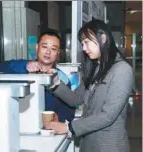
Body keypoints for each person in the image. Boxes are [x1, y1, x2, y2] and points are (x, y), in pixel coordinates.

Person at [45, 19, 133, 152]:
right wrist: (56, 83)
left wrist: (70, 127)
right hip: (89, 145)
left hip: (109, 147)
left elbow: (108, 115)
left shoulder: (122, 70)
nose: (84, 48)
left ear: (103, 38)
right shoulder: (95, 67)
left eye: (86, 42)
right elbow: (76, 99)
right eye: (82, 43)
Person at [0, 30, 75, 122]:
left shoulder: (62, 78)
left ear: (58, 53)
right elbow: (0, 67)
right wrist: (25, 65)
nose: (48, 52)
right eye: (44, 47)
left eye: (53, 49)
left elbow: (70, 108)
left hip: (48, 129)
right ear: (37, 47)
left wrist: (60, 117)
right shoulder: (23, 68)